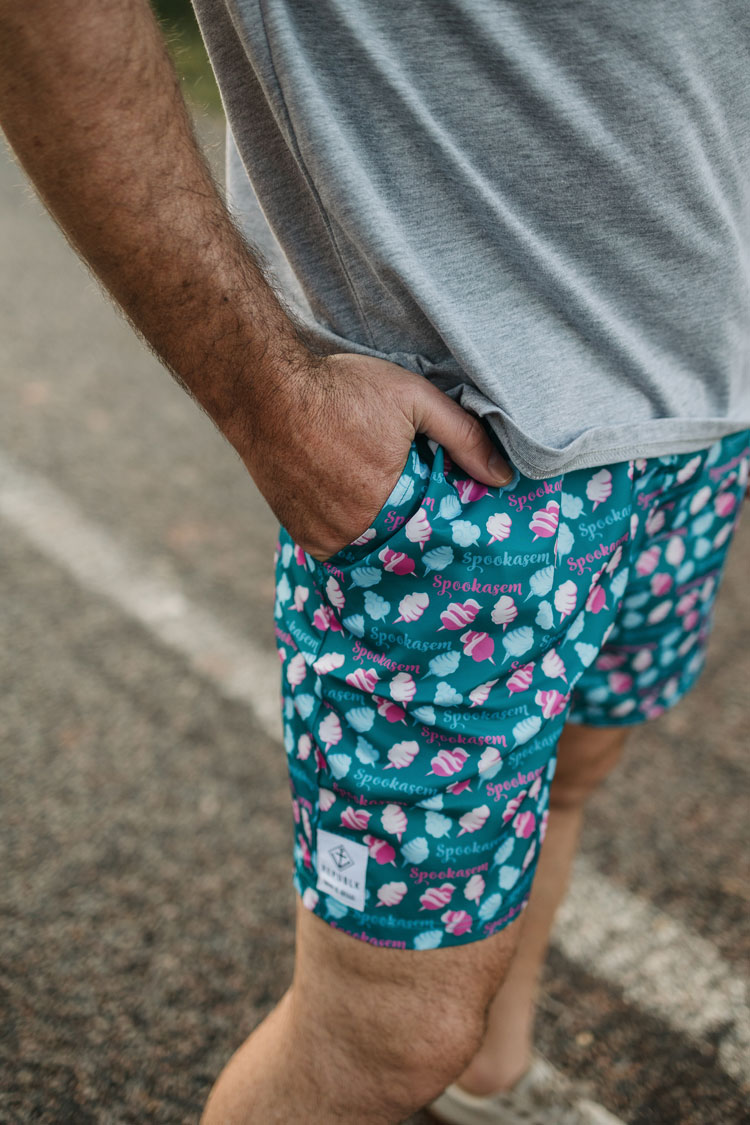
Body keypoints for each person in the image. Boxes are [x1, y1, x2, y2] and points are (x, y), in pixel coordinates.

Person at [1, 1, 749, 1122]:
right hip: (477, 458)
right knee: (382, 1039)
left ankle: (495, 1087)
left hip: (709, 403)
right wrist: (267, 397)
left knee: (576, 775)